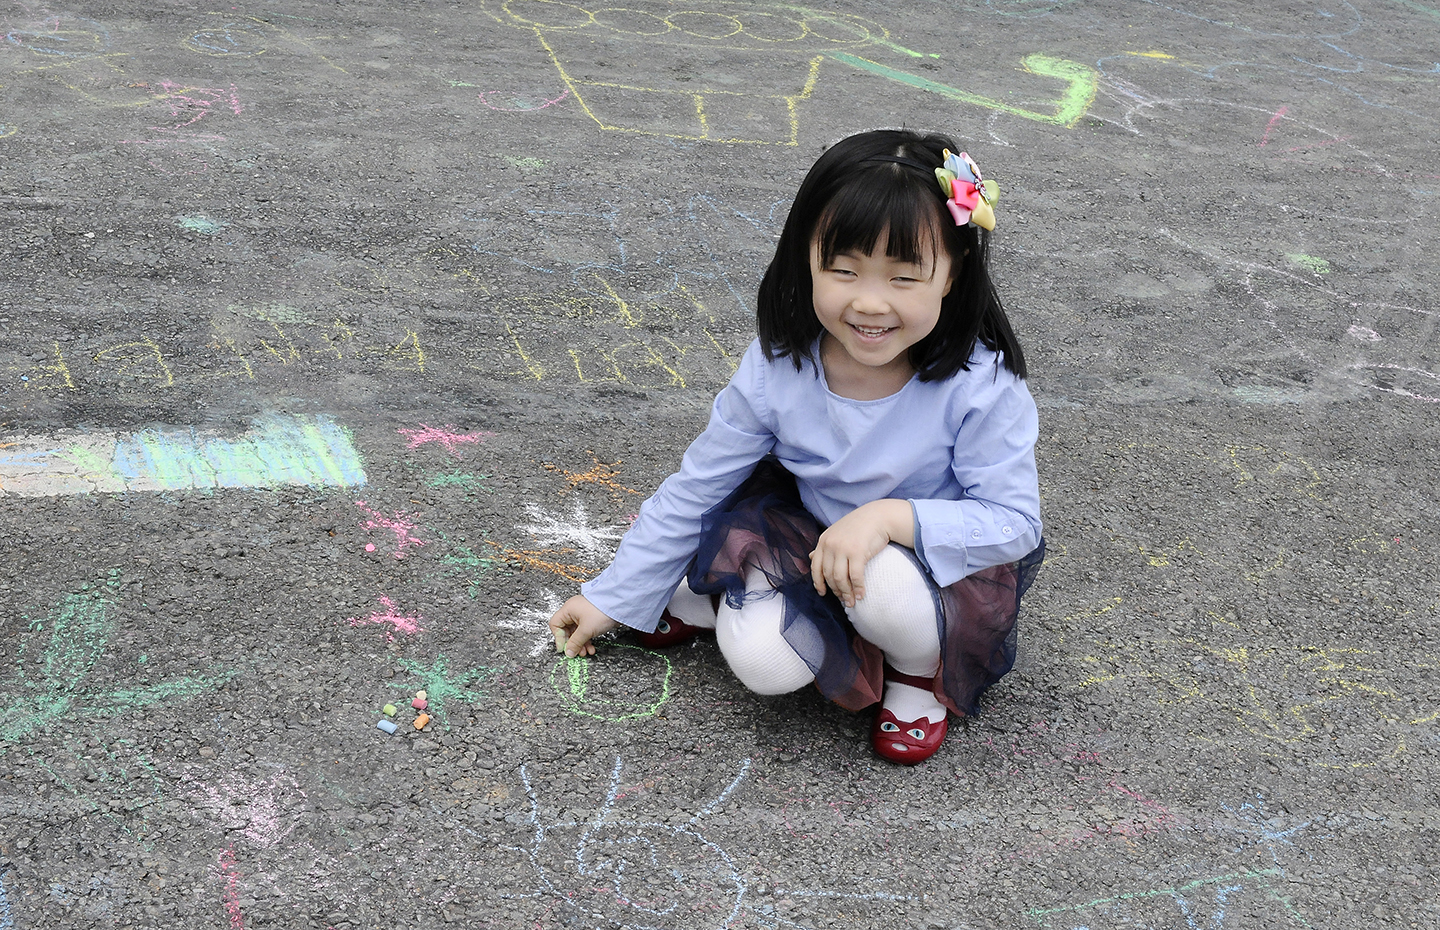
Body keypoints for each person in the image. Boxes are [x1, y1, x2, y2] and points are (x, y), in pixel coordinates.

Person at [548, 128, 1044, 764]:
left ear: (952, 275)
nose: (870, 302)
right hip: (803, 541)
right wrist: (615, 595)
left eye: (904, 276)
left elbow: (1015, 522)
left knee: (884, 584)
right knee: (763, 665)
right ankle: (710, 596)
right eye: (843, 270)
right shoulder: (779, 365)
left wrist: (888, 520)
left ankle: (916, 677)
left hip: (921, 567)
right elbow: (701, 483)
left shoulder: (980, 384)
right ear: (804, 258)